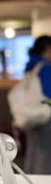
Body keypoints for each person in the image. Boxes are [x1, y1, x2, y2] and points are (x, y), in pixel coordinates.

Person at [22, 35, 51, 174]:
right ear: (47, 49)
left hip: (30, 115)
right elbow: (48, 96)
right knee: (45, 155)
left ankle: (29, 183)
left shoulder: (30, 66)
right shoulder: (45, 68)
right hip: (45, 116)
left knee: (33, 151)